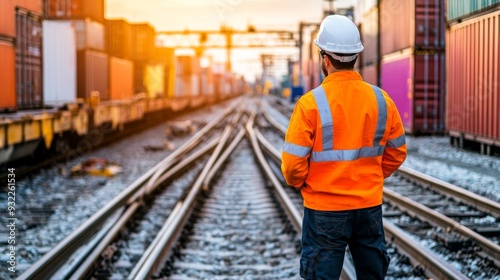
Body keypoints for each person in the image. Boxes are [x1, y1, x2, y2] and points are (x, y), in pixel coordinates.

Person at [281, 15, 407, 279]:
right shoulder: (381, 99)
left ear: (325, 59)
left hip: (324, 209)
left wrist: (311, 182)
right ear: (356, 57)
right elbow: (397, 152)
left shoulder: (309, 104)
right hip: (368, 207)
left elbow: (292, 168)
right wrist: (368, 177)